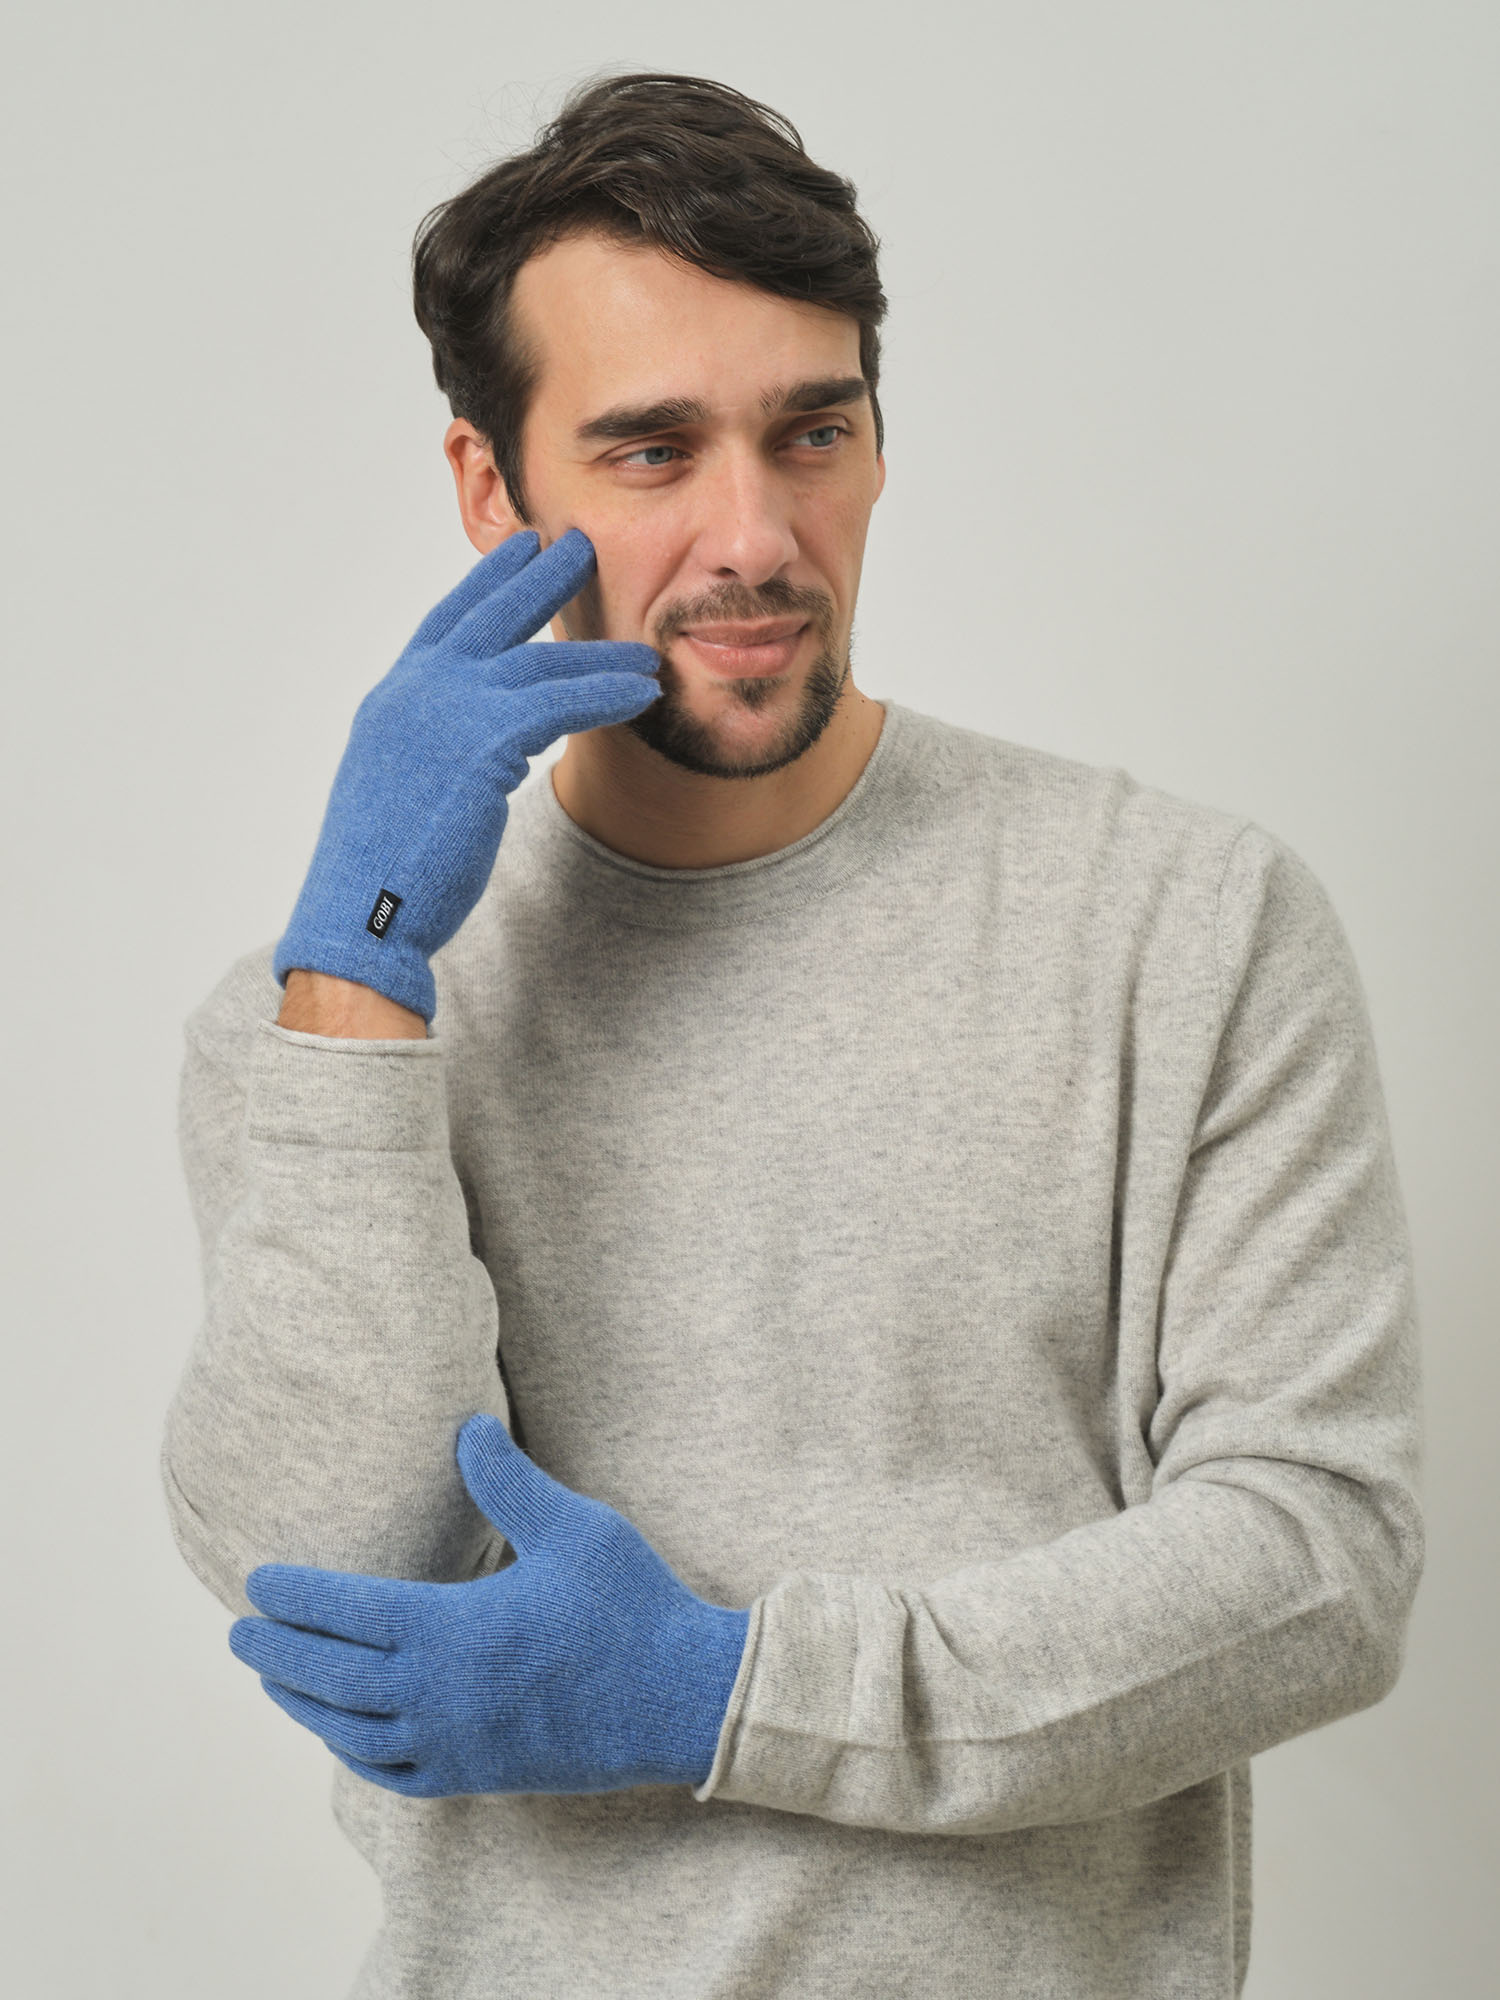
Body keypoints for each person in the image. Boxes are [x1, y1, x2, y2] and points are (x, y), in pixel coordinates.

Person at [161, 69, 1425, 2000]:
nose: (753, 535)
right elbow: (332, 1586)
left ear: (878, 446)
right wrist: (355, 983)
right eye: (651, 451)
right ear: (493, 494)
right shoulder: (330, 1025)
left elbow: (1318, 1561)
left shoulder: (1182, 924)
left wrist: (735, 1692)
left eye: (809, 432)